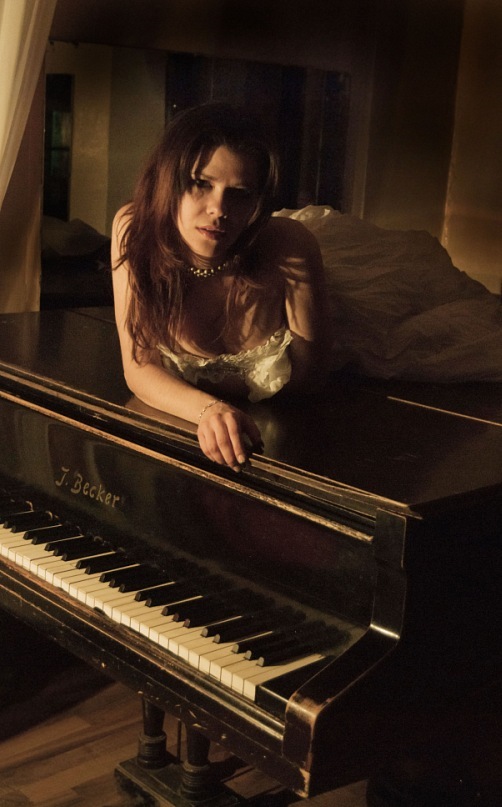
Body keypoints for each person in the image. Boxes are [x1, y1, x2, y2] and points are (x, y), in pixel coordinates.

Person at [112, 102, 332, 472]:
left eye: (240, 192)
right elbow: (138, 368)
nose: (219, 209)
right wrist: (208, 409)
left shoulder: (292, 248)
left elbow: (311, 379)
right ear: (168, 181)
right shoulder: (136, 232)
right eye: (201, 184)